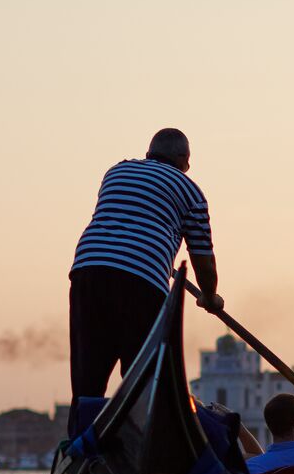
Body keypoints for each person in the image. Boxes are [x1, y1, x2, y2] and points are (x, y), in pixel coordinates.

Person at [67, 128, 222, 422]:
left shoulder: (116, 172)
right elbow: (203, 260)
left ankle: (81, 444)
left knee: (89, 374)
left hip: (88, 269)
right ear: (183, 159)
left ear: (149, 152)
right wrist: (210, 296)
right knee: (141, 376)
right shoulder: (191, 192)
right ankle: (138, 440)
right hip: (142, 279)